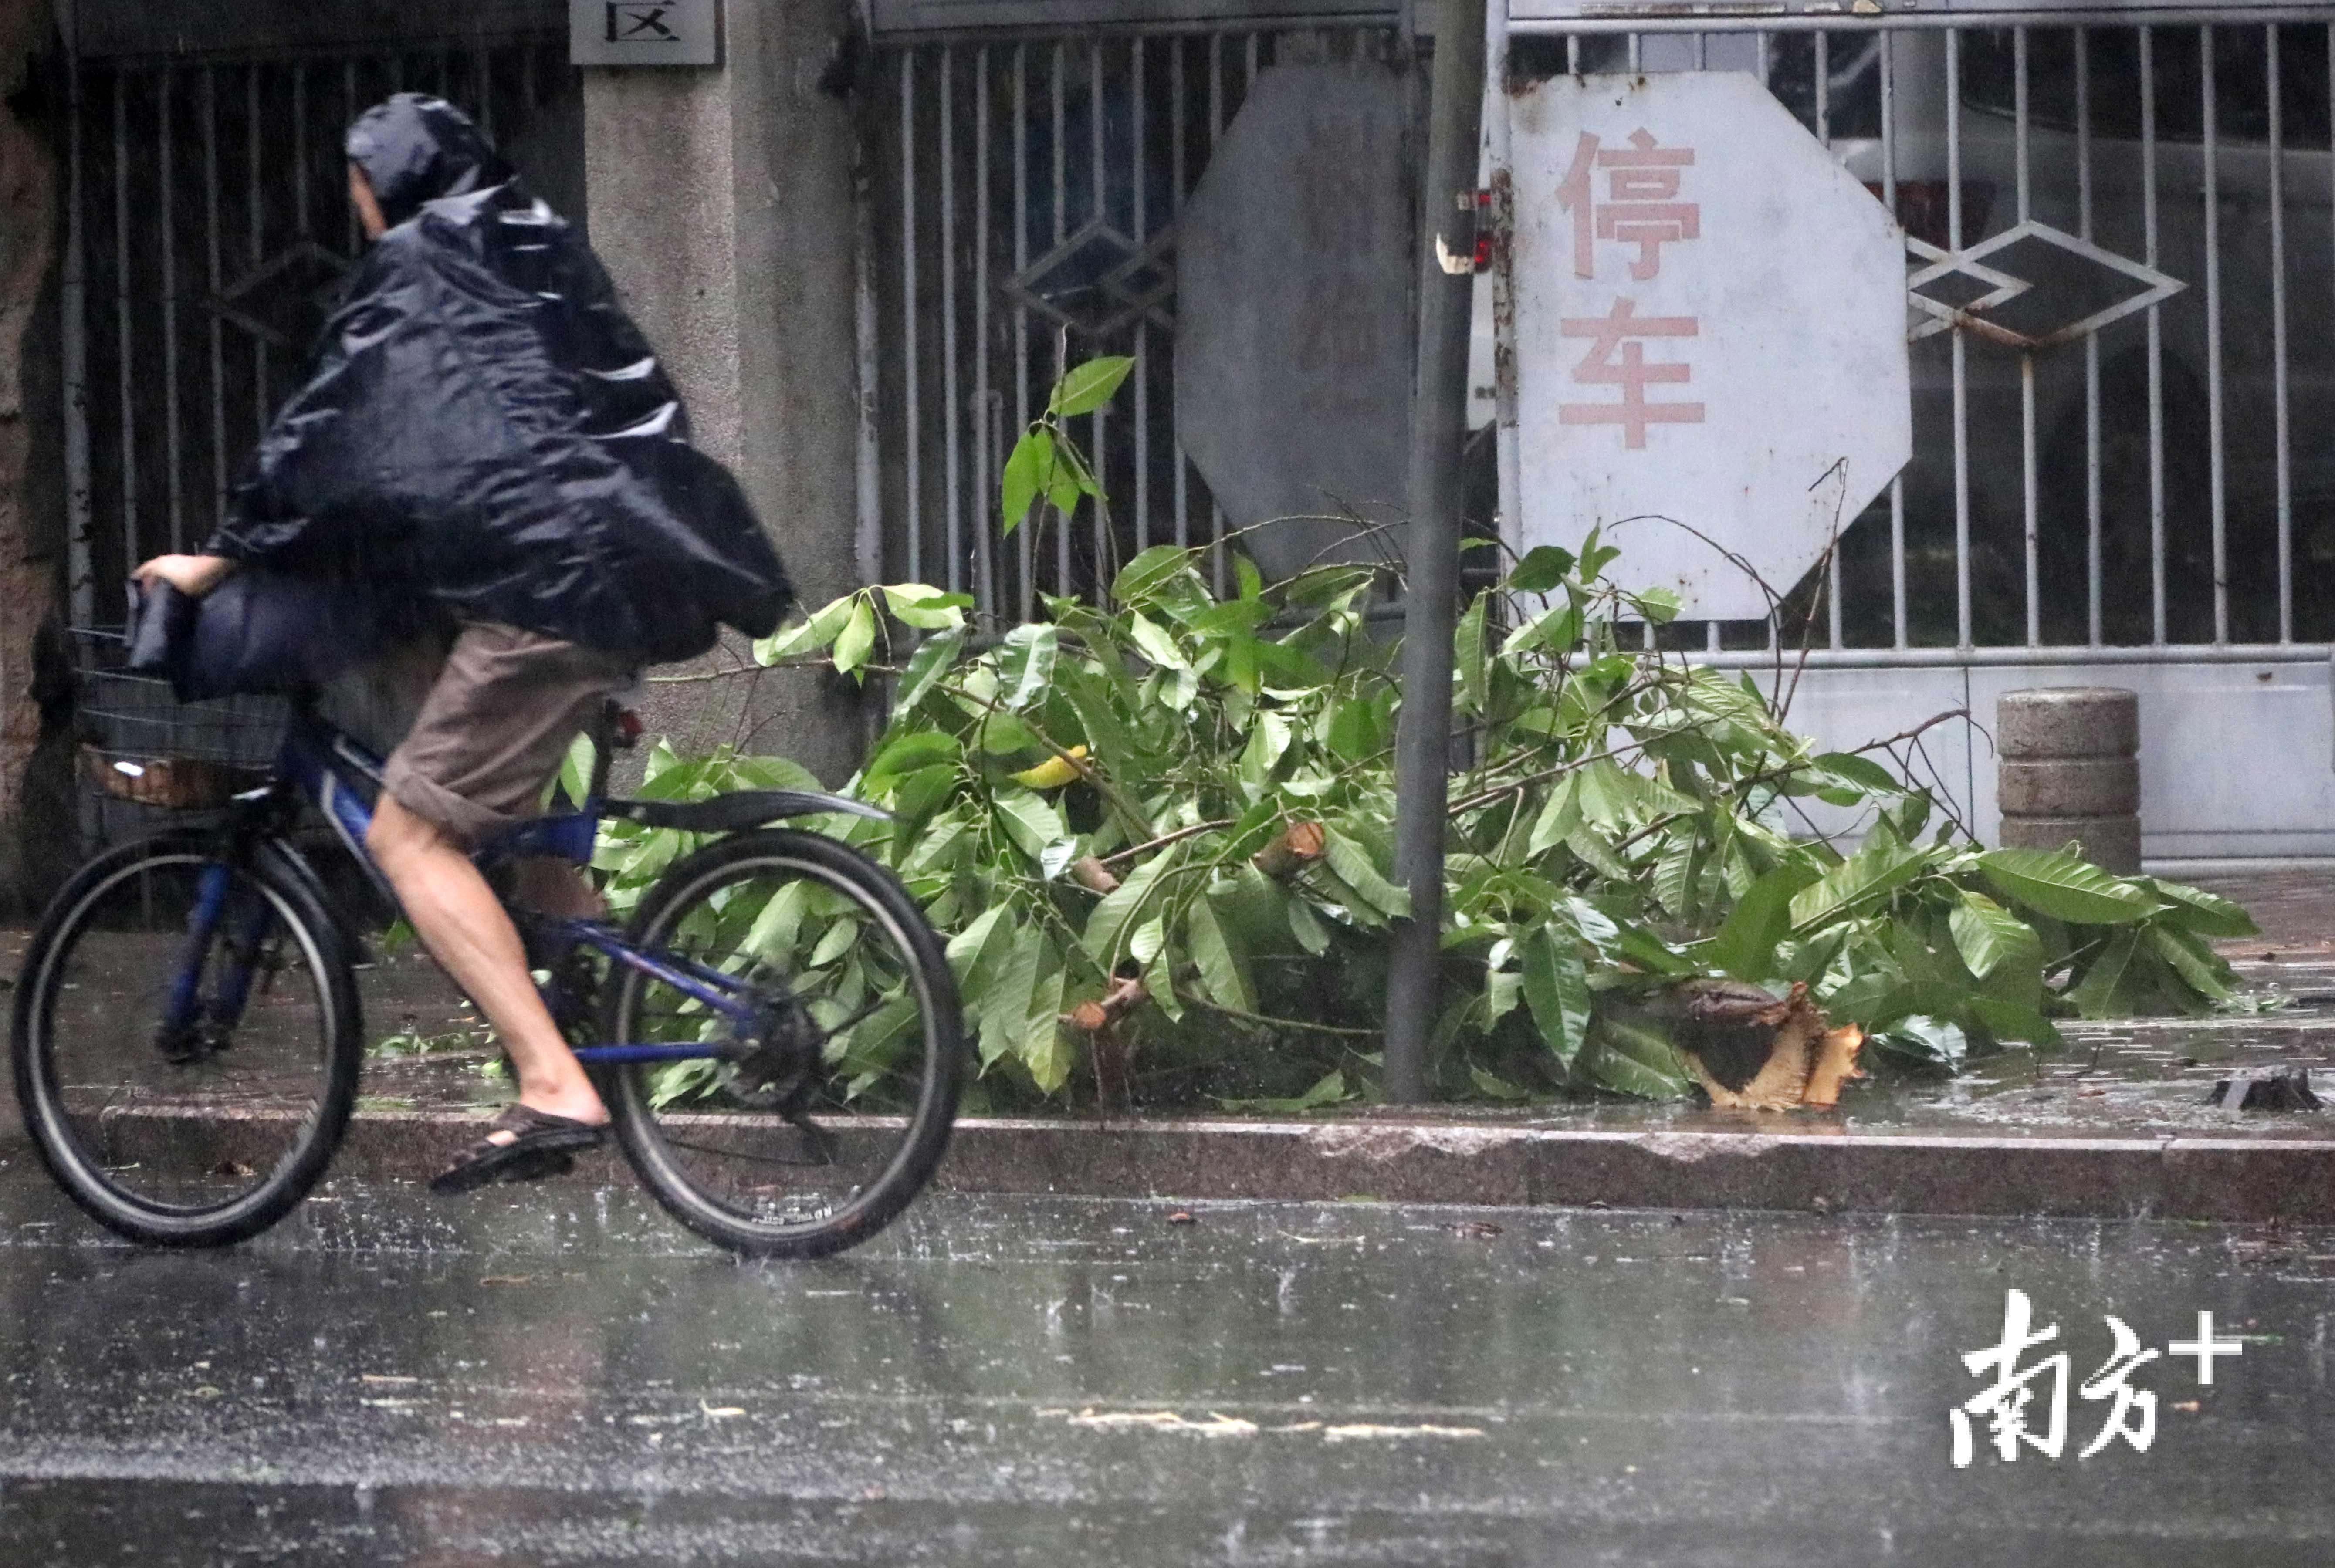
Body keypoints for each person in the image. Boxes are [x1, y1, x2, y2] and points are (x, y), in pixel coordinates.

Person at [133, 95, 792, 1192]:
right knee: (503, 813)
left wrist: (224, 551)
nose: (354, 212)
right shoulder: (527, 247)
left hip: (547, 589)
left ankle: (550, 1081)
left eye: (356, 190)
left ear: (385, 185)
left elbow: (339, 432)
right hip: (619, 569)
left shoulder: (421, 268)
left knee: (410, 837)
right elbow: (487, 441)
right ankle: (572, 978)